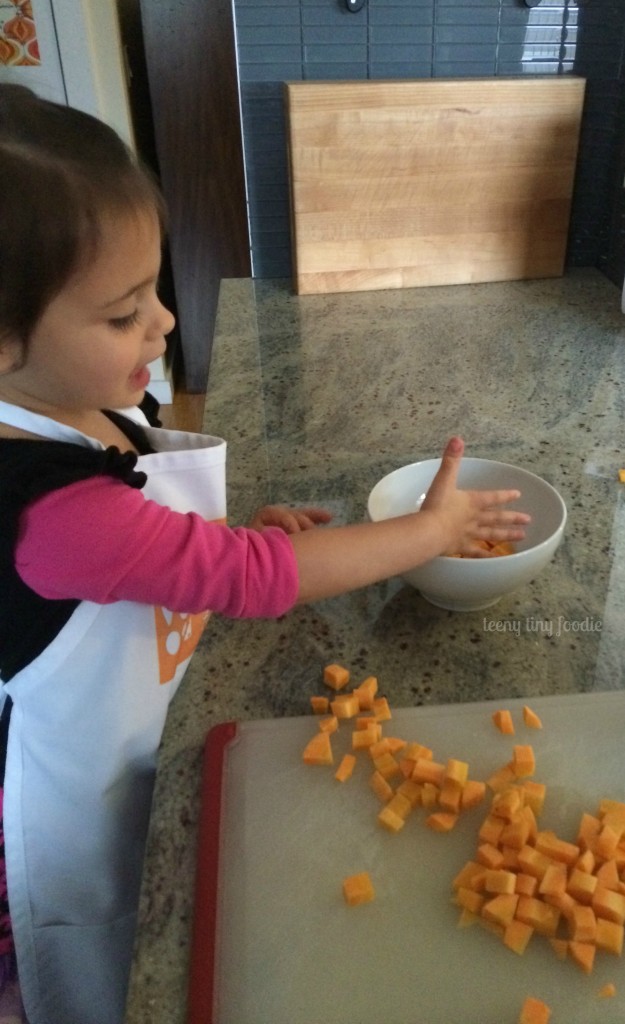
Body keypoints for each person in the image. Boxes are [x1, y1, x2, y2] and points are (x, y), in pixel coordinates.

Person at [0, 84, 529, 1024]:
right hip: (83, 796)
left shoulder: (82, 403)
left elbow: (161, 540)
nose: (163, 325)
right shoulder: (47, 507)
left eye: (152, 292)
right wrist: (427, 534)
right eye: (123, 315)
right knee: (115, 966)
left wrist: (226, 528)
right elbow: (251, 582)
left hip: (159, 727)